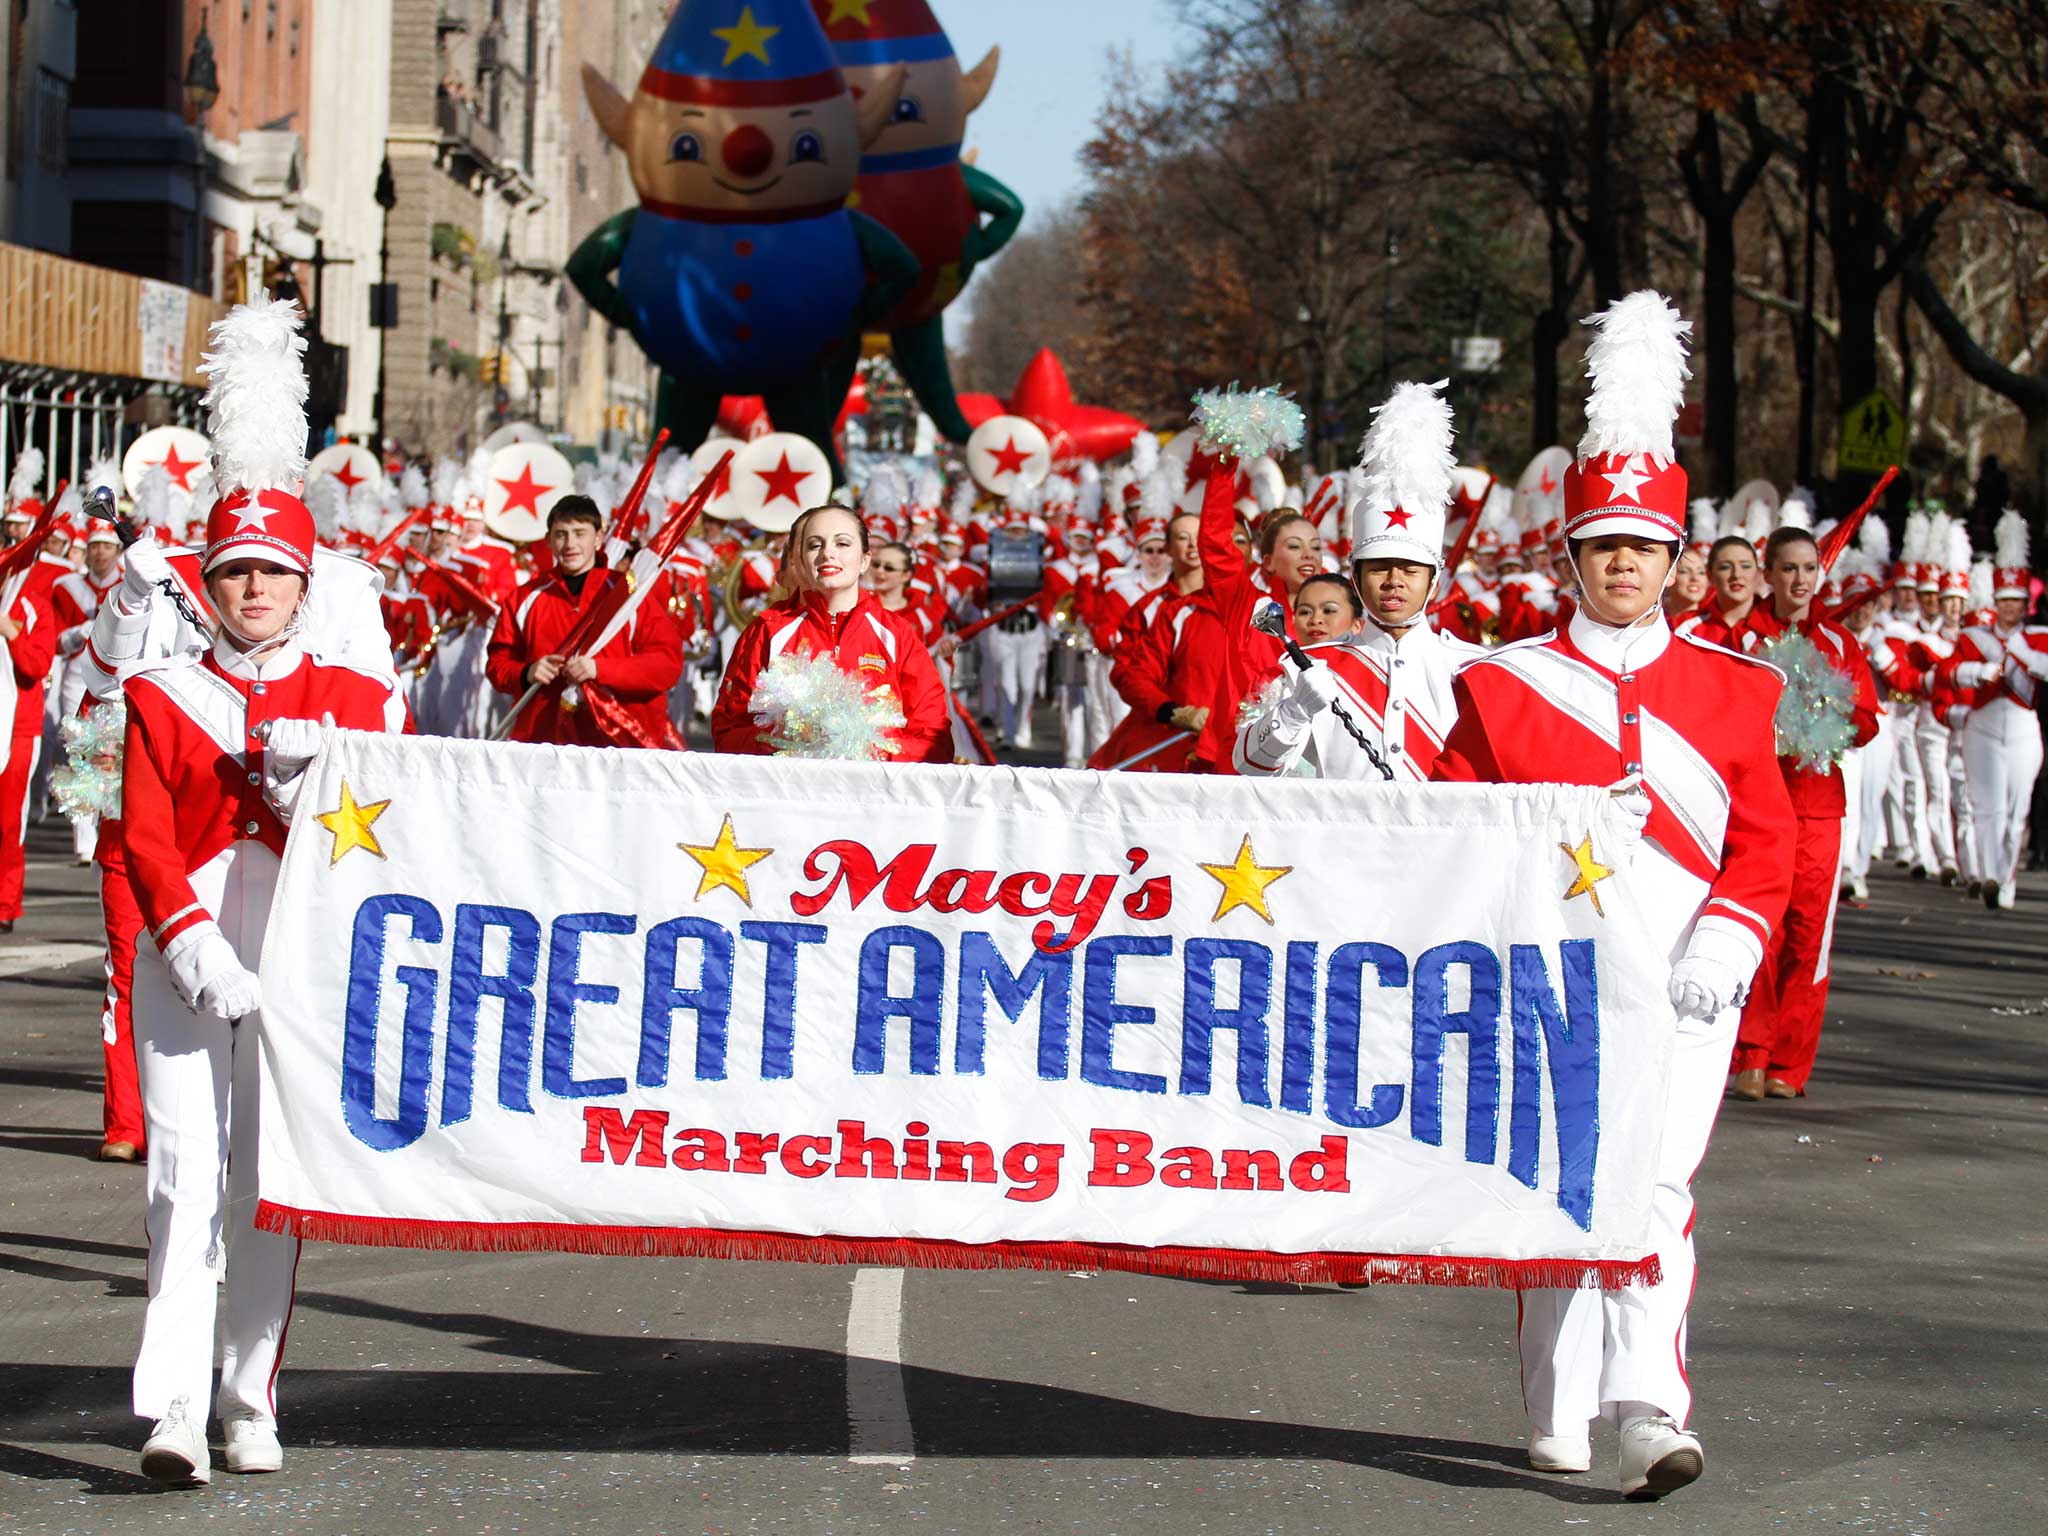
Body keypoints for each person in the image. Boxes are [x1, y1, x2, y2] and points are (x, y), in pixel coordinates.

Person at [1431, 292, 1795, 1500]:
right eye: (1603, 547)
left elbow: (1768, 838)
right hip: (1553, 979)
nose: (1624, 563)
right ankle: (1558, 1395)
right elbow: (1445, 831)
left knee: (1652, 1189)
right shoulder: (1502, 686)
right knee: (1561, 1184)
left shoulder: (1737, 688)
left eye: (1643, 545)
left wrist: (1727, 946)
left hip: (1689, 980)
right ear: (1570, 556)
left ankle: (1645, 1404)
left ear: (1673, 560)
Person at [121, 294, 410, 1487]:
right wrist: (190, 944)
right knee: (182, 1177)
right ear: (210, 581)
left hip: (295, 946)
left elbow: (391, 838)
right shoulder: (161, 688)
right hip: (188, 949)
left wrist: (312, 793)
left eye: (271, 575)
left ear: (304, 586)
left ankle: (250, 1399)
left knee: (264, 1185)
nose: (251, 591)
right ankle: (173, 1411)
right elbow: (141, 837)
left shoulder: (354, 699)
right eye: (233, 572)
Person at [1236, 378, 1483, 782]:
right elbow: (1250, 766)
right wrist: (1293, 711)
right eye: (1380, 567)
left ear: (1434, 581)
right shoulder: (1310, 666)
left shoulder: (1473, 668)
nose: (1393, 581)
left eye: (1410, 569)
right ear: (1355, 575)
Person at [1727, 527, 1880, 1099]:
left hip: (1818, 806)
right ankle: (1752, 1055)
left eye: (1807, 570)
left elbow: (1867, 721)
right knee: (1758, 927)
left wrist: (1828, 711)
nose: (1798, 581)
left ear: (1820, 574)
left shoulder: (1838, 643)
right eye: (1787, 569)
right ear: (1768, 574)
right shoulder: (1744, 636)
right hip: (1757, 802)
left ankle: (1791, 1062)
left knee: (1807, 935)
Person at [711, 505, 951, 762]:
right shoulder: (767, 631)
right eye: (815, 545)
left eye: (842, 544)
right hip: (792, 794)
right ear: (802, 561)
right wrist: (786, 737)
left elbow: (934, 741)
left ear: (865, 560)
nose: (827, 553)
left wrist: (872, 750)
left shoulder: (897, 635)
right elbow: (728, 732)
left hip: (874, 795)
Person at [484, 494, 684, 747]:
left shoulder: (628, 594)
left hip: (620, 741)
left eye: (580, 533)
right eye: (561, 534)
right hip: (544, 740)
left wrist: (601, 670)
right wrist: (527, 672)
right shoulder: (525, 598)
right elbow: (497, 665)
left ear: (599, 538)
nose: (570, 544)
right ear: (548, 540)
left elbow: (667, 664)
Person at [1943, 513, 2048, 909]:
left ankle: (2006, 880)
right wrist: (1977, 671)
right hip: (1983, 726)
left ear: (2025, 604)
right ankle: (1989, 876)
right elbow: (1948, 673)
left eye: (2016, 602)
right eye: (2003, 601)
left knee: (2016, 812)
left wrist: (2019, 653)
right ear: (1995, 602)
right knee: (1988, 806)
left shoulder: (2039, 637)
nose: (2008, 609)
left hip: (2023, 725)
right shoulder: (1974, 638)